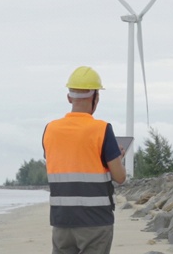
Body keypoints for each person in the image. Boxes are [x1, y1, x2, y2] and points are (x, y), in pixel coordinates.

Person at [43, 65, 127, 254]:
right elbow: (120, 177)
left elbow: (59, 163)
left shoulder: (50, 129)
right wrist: (117, 157)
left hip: (61, 221)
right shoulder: (102, 129)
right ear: (96, 97)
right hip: (95, 221)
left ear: (69, 97)